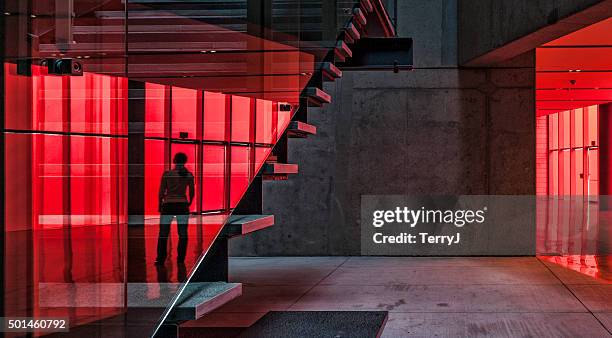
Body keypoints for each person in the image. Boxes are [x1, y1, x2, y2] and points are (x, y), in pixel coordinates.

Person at [155, 152, 195, 265]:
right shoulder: (188, 175)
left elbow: (161, 191)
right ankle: (181, 259)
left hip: (168, 205)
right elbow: (192, 191)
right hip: (182, 205)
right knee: (182, 233)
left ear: (174, 160)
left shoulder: (167, 174)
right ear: (185, 161)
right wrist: (189, 202)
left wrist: (160, 204)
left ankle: (160, 259)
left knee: (163, 233)